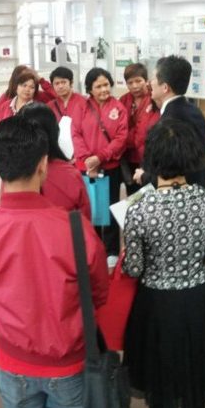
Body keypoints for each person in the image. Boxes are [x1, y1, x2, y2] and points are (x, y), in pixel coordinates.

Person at [0, 115, 108, 408]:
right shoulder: (76, 228)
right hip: (68, 362)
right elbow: (98, 293)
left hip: (12, 359)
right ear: (43, 164)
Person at [122, 119, 205, 408]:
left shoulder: (140, 208)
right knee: (194, 376)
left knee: (159, 380)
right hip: (198, 299)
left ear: (152, 158)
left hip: (155, 305)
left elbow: (134, 268)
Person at [72, 67, 128, 262]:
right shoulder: (81, 107)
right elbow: (75, 133)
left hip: (110, 168)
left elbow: (121, 138)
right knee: (91, 209)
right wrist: (88, 159)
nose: (104, 89)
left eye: (106, 85)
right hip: (87, 168)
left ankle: (111, 251)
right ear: (90, 89)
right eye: (98, 86)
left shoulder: (118, 108)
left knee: (110, 209)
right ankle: (93, 247)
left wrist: (101, 157)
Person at [142, 54, 205, 188]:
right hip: (197, 188)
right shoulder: (194, 111)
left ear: (165, 87)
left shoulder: (170, 122)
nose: (150, 82)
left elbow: (171, 168)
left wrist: (144, 176)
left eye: (154, 78)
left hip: (177, 192)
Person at [119, 63, 159, 195]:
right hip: (128, 157)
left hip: (148, 156)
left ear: (146, 81)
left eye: (138, 81)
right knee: (132, 195)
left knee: (150, 194)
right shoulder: (123, 100)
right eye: (130, 82)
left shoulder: (154, 99)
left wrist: (126, 137)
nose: (135, 86)